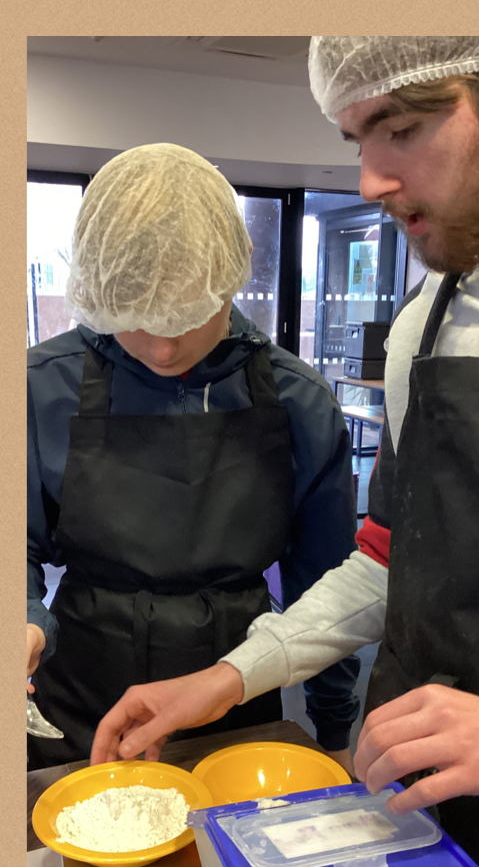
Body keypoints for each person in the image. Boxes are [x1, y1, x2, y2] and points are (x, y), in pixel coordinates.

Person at [89, 38, 479, 867]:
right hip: (407, 804)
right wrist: (225, 679)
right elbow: (387, 560)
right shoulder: (421, 331)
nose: (369, 181)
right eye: (356, 142)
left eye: (398, 129)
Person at [27, 145, 359, 772]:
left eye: (187, 313)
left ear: (230, 281)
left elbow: (327, 587)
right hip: (79, 697)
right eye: (137, 318)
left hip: (236, 689)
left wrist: (334, 726)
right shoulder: (42, 386)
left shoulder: (298, 401)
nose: (163, 344)